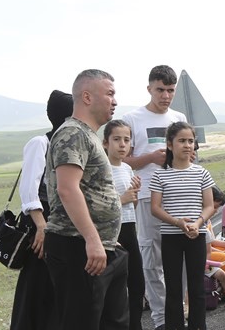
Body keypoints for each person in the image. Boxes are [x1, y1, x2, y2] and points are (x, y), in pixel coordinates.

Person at [44, 69, 128, 330]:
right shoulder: (73, 133)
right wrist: (92, 239)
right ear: (87, 97)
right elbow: (67, 190)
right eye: (110, 94)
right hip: (77, 247)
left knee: (112, 322)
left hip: (100, 248)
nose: (115, 101)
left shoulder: (88, 134)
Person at [121, 65, 187, 330]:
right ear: (149, 88)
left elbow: (191, 154)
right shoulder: (132, 119)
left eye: (170, 90)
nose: (166, 96)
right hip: (147, 195)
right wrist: (150, 158)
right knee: (151, 257)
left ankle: (177, 311)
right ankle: (160, 318)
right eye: (160, 89)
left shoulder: (179, 117)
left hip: (178, 195)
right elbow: (122, 159)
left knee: (180, 257)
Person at [10, 89, 73, 330]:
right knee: (38, 283)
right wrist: (41, 226)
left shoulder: (70, 144)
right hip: (43, 222)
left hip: (62, 221)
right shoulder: (41, 143)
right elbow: (29, 190)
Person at [150, 121, 216, 330]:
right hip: (171, 237)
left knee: (196, 287)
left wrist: (197, 223)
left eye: (190, 141)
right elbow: (155, 208)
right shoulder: (160, 174)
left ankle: (198, 326)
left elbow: (209, 206)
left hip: (196, 235)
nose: (187, 145)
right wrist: (178, 222)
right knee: (174, 288)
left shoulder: (201, 173)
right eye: (181, 141)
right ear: (170, 144)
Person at [104, 120, 144, 330]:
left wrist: (134, 195)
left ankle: (135, 325)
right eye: (116, 139)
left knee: (137, 282)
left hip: (130, 228)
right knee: (113, 288)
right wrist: (123, 199)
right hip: (111, 232)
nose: (122, 144)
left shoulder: (128, 168)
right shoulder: (102, 168)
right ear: (105, 143)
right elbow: (100, 205)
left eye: (126, 140)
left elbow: (132, 205)